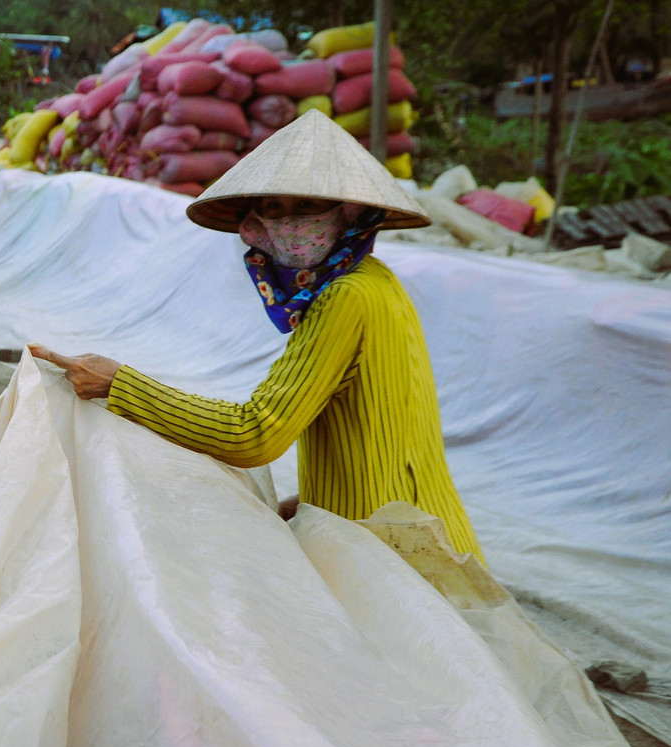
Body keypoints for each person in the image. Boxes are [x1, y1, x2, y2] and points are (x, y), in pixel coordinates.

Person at [31, 110, 483, 561]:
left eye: (307, 207)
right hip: (420, 535)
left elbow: (256, 433)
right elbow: (379, 428)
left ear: (350, 214)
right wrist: (312, 501)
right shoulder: (374, 279)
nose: (289, 224)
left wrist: (120, 384)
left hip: (394, 559)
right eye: (273, 209)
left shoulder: (343, 297)